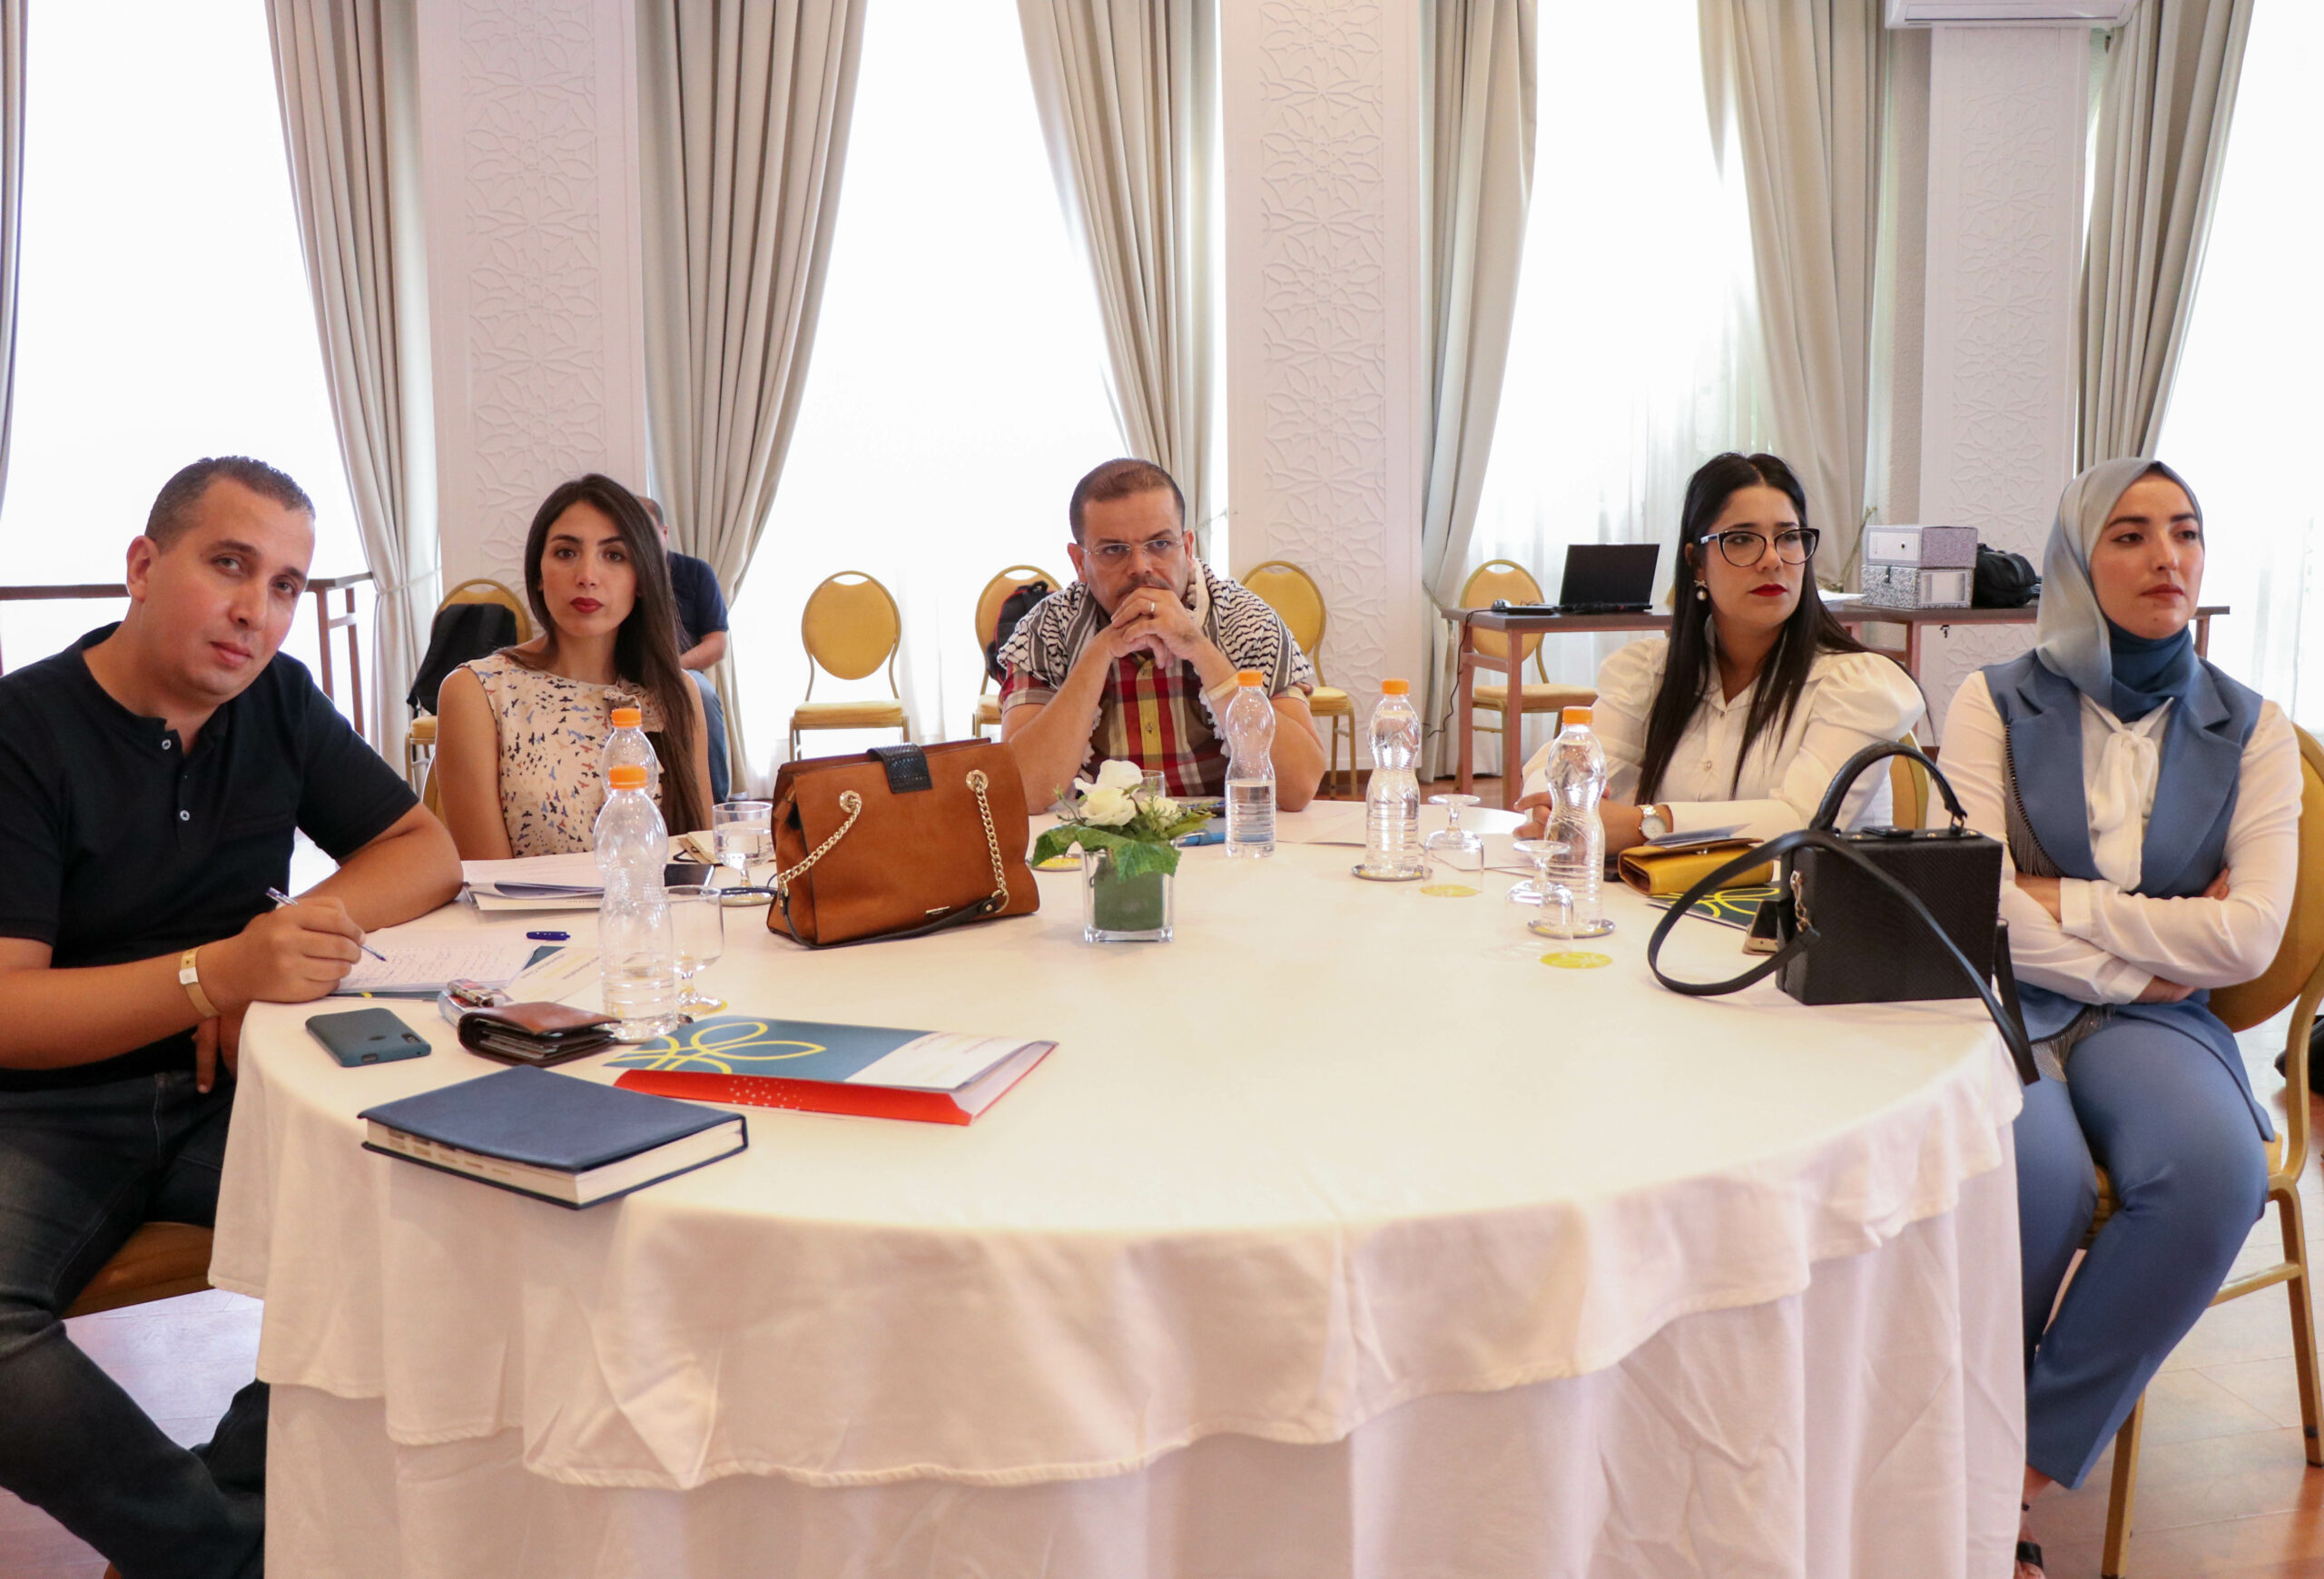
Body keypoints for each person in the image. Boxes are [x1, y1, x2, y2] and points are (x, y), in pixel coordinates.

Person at [0, 456, 463, 1576]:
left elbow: (424, 849)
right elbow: (7, 1007)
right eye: (228, 564)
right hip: (49, 1110)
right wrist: (212, 975)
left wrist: (279, 941)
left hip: (237, 1088)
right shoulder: (24, 727)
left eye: (286, 584)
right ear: (143, 566)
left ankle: (214, 1522)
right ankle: (230, 1553)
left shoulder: (278, 700)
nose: (257, 609)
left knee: (433, 1218)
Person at [1938, 459, 2291, 1579]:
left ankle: (2007, 1480)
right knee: (2026, 1178)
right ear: (2074, 562)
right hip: (2016, 1001)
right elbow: (1978, 903)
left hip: (2157, 1030)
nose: (2165, 558)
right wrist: (2144, 958)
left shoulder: (2254, 727)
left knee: (2213, 1171)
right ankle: (1952, 1461)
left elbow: (2248, 936)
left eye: (2184, 531)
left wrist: (2068, 903)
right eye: (2129, 535)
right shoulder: (1992, 700)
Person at [1518, 451, 1923, 845]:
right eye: (1742, 539)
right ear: (1696, 562)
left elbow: (1802, 823)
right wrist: (1557, 806)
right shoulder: (1653, 673)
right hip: (1668, 891)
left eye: (1789, 537)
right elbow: (1560, 768)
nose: (1772, 559)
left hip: (1805, 893)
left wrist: (1646, 825)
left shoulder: (1856, 685)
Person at [1000, 458, 1327, 809]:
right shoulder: (1047, 628)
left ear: (1186, 547)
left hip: (1224, 831)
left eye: (1159, 544)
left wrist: (1198, 648)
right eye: (1113, 550)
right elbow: (1023, 792)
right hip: (1096, 836)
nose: (1140, 567)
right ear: (1080, 561)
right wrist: (1099, 652)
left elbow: (1299, 787)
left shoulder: (1246, 620)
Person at [434, 475, 714, 859]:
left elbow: (699, 858)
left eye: (614, 555)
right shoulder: (479, 693)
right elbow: (489, 880)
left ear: (642, 579)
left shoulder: (676, 692)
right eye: (566, 553)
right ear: (538, 574)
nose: (587, 577)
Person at [639, 495, 732, 804]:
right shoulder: (621, 575)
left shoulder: (696, 573)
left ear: (664, 533)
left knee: (702, 694)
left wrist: (674, 666)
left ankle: (715, 804)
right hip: (626, 671)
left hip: (682, 670)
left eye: (648, 533)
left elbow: (717, 644)